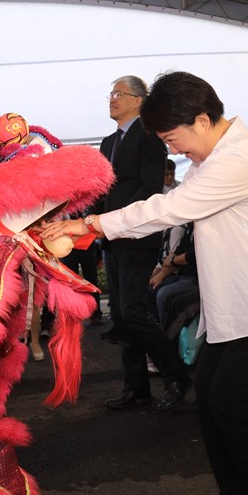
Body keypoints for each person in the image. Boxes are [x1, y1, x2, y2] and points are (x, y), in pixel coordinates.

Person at [41, 71, 248, 495]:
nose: (172, 149)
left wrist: (90, 224)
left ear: (201, 121)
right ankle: (237, 491)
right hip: (240, 302)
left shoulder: (234, 159)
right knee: (210, 396)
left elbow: (170, 208)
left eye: (171, 138)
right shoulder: (214, 155)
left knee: (234, 407)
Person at [94, 74, 190, 411]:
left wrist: (116, 222)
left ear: (138, 99)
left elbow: (149, 188)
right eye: (111, 92)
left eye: (119, 92)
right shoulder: (108, 143)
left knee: (134, 310)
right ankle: (135, 387)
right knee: (120, 315)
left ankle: (176, 374)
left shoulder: (149, 136)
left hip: (136, 236)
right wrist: (90, 221)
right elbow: (102, 190)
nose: (112, 98)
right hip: (111, 238)